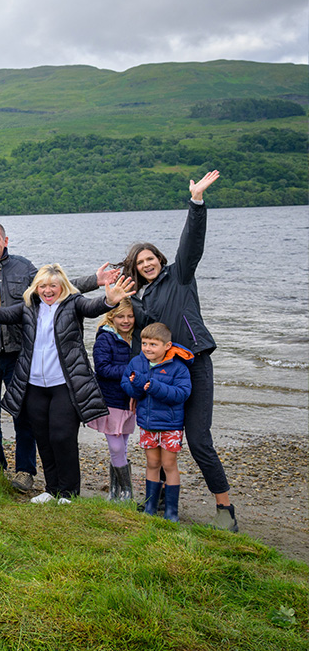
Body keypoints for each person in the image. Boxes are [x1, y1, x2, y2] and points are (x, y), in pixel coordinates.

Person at [0, 218, 117, 492]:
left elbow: (55, 286)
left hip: (20, 354)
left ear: (5, 241)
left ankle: (26, 470)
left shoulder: (24, 266)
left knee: (26, 417)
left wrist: (97, 282)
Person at [121, 170, 237, 532]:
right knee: (154, 437)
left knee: (199, 439)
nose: (147, 264)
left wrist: (197, 201)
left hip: (195, 365)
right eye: (140, 263)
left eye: (150, 258)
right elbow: (142, 343)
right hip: (161, 375)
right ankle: (155, 502)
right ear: (137, 271)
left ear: (160, 258)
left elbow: (193, 241)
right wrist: (136, 385)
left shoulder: (181, 275)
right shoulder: (142, 299)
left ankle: (224, 510)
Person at [121, 322, 193, 522]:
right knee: (152, 463)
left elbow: (181, 394)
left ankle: (171, 511)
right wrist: (135, 387)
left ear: (167, 346)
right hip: (147, 424)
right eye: (144, 343)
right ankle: (150, 506)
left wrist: (153, 386)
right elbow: (126, 382)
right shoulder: (137, 362)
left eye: (153, 344)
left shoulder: (178, 367)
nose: (147, 348)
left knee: (169, 464)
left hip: (171, 426)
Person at [89, 300, 138, 501]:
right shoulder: (105, 338)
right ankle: (127, 492)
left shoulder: (137, 337)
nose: (125, 321)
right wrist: (130, 372)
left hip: (130, 400)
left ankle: (115, 492)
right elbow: (102, 368)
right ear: (112, 317)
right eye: (120, 316)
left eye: (130, 316)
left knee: (123, 446)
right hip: (110, 399)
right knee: (116, 447)